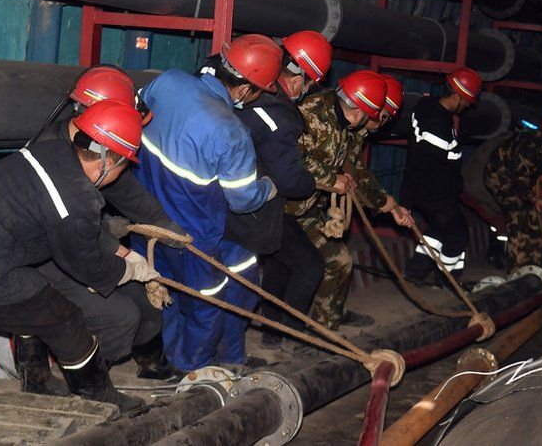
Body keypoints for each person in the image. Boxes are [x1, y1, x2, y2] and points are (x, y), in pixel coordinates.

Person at [0, 101, 154, 411]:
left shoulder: (52, 151)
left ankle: (36, 379)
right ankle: (96, 397)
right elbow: (87, 266)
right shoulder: (76, 198)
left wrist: (114, 249)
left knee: (33, 295)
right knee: (64, 317)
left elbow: (63, 223)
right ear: (110, 160)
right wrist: (126, 269)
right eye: (125, 166)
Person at [28, 64, 186, 389]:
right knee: (120, 316)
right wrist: (118, 247)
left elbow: (129, 194)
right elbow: (68, 226)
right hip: (45, 259)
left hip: (82, 245)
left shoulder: (95, 146)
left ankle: (151, 363)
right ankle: (86, 384)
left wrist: (168, 229)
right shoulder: (53, 157)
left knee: (146, 302)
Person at [131, 34, 279, 371]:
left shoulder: (169, 81)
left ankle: (165, 361)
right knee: (205, 305)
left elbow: (135, 116)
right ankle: (189, 373)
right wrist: (268, 188)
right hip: (191, 236)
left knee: (162, 293)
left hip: (143, 219)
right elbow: (241, 201)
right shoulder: (230, 131)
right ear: (244, 89)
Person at [289, 70, 414, 330]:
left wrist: (388, 204)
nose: (381, 124)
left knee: (337, 257)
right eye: (381, 117)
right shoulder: (321, 116)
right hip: (288, 207)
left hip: (309, 205)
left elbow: (354, 170)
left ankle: (329, 315)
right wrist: (387, 204)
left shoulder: (352, 127)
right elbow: (293, 160)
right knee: (333, 260)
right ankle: (316, 328)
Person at [233, 31, 332, 347]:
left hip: (236, 195)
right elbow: (289, 180)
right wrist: (315, 182)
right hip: (255, 204)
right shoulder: (277, 114)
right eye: (309, 83)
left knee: (279, 260)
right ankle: (293, 334)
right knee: (310, 265)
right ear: (300, 77)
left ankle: (273, 332)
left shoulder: (252, 89)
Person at [401, 67, 482, 284]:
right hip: (435, 194)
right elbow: (422, 163)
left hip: (435, 192)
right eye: (465, 101)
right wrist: (406, 201)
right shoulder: (437, 121)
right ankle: (445, 281)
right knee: (457, 236)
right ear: (456, 96)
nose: (466, 107)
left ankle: (414, 272)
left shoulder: (431, 109)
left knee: (438, 231)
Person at [484, 108, 542, 272]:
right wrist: (535, 199)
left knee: (537, 218)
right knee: (519, 214)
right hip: (502, 176)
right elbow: (520, 182)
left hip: (528, 178)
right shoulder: (530, 146)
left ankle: (536, 265)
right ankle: (518, 268)